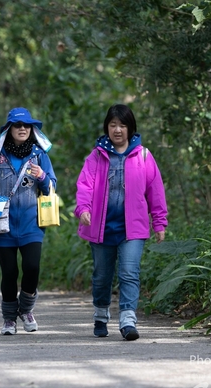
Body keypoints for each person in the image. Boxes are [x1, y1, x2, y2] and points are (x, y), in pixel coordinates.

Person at [74, 104, 168, 341]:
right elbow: (85, 186)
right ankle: (101, 315)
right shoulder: (96, 156)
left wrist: (159, 222)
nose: (117, 130)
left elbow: (155, 191)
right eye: (113, 124)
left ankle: (128, 321)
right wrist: (83, 209)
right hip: (101, 226)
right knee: (102, 275)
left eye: (122, 125)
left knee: (129, 273)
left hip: (132, 227)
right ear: (107, 127)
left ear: (130, 128)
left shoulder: (143, 156)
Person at [0, 107, 57, 335]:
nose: (22, 129)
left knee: (32, 268)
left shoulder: (39, 154)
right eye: (17, 125)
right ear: (9, 129)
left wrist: (42, 177)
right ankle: (8, 319)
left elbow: (52, 186)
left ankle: (25, 310)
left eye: (26, 125)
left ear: (31, 129)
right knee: (9, 273)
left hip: (32, 223)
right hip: (1, 224)